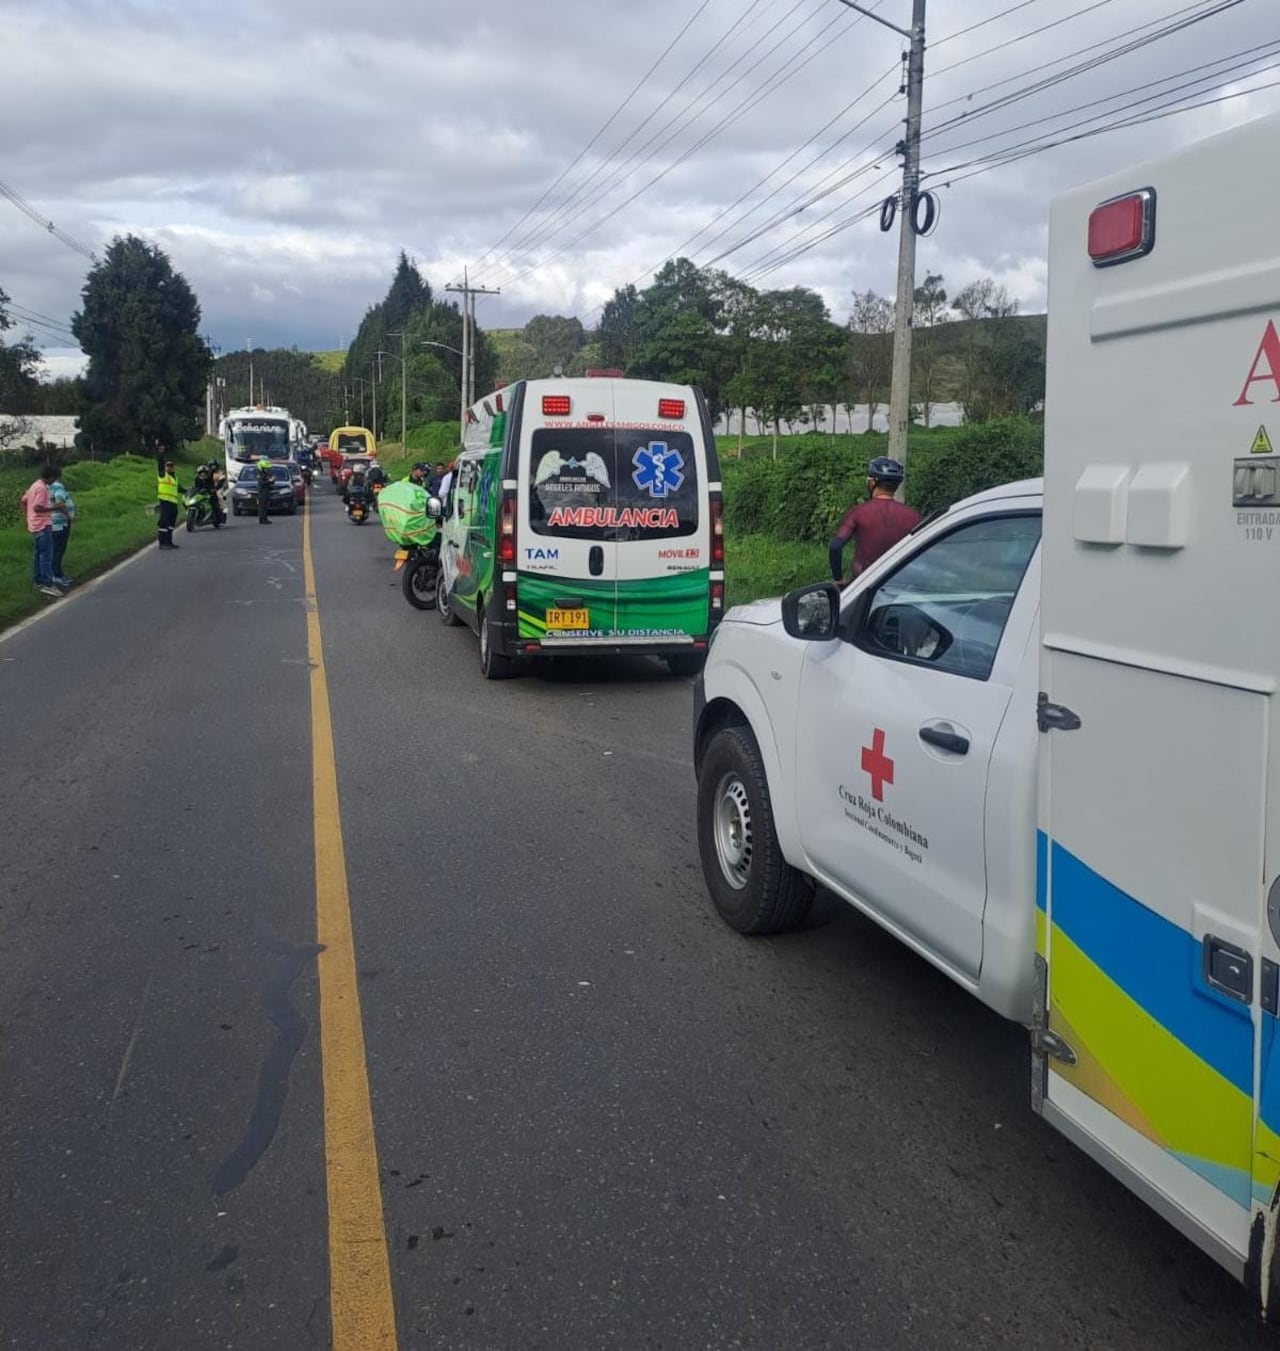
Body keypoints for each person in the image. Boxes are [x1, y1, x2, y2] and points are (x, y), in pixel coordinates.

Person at [828, 456, 920, 583]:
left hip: (864, 585)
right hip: (900, 584)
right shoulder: (913, 516)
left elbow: (835, 546)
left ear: (872, 483)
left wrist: (838, 579)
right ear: (896, 486)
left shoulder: (858, 512)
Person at [21, 465, 60, 596]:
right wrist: (54, 508)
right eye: (54, 478)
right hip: (43, 524)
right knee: (46, 556)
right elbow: (38, 508)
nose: (54, 481)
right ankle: (47, 584)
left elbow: (23, 500)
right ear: (51, 477)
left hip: (34, 524)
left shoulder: (34, 485)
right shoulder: (42, 488)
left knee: (38, 554)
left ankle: (38, 580)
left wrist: (27, 517)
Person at [48, 469, 76, 588]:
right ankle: (57, 576)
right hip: (60, 523)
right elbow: (60, 503)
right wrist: (68, 516)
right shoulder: (58, 486)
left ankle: (54, 574)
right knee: (58, 549)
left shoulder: (46, 488)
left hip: (52, 522)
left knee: (54, 549)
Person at [157, 459, 182, 550]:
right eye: (167, 466)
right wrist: (160, 454)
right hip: (165, 501)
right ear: (165, 467)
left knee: (171, 524)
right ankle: (162, 543)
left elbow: (178, 488)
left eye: (171, 466)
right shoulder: (163, 475)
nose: (169, 467)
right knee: (164, 523)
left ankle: (169, 542)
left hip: (173, 503)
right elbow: (159, 466)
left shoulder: (175, 477)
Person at [255, 457, 273, 524]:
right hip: (262, 493)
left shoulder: (265, 474)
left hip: (266, 492)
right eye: (266, 468)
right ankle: (262, 519)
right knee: (262, 507)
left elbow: (268, 482)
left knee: (265, 506)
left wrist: (271, 481)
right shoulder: (260, 475)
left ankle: (265, 518)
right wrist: (269, 481)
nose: (267, 469)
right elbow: (262, 483)